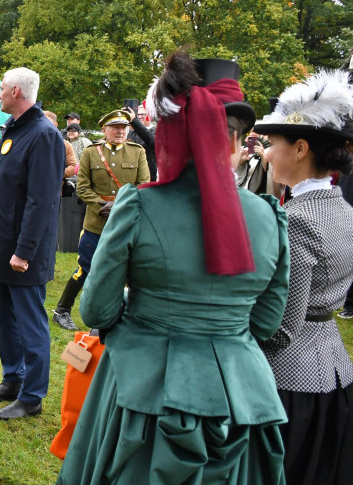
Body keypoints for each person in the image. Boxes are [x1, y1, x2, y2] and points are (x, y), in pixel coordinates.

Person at [58, 53, 290, 484]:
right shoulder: (270, 216)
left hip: (145, 397)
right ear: (238, 143)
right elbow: (266, 321)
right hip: (239, 400)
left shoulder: (138, 205)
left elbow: (97, 310)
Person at [255, 69, 353, 485]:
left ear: (299, 148)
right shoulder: (345, 210)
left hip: (292, 384)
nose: (266, 154)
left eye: (272, 144)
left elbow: (282, 328)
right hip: (337, 371)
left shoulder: (295, 221)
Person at [0, 67, 64, 420]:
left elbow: (42, 201)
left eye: (2, 88)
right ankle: (13, 379)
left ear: (16, 91)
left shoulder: (44, 135)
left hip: (22, 252)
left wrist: (24, 251)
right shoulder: (15, 131)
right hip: (2, 247)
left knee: (30, 325)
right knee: (5, 320)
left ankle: (32, 396)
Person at [50, 109, 150, 331]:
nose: (120, 132)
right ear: (104, 130)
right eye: (115, 128)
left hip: (126, 223)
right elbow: (83, 187)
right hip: (96, 222)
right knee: (85, 269)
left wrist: (120, 205)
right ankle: (62, 310)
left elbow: (143, 185)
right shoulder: (91, 153)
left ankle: (125, 314)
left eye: (124, 128)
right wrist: (100, 205)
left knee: (129, 269)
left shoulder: (137, 152)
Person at [44, 111, 78, 179]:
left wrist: (55, 174)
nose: (44, 125)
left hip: (55, 186)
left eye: (47, 123)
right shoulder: (29, 142)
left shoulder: (65, 145)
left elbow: (73, 166)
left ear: (55, 125)